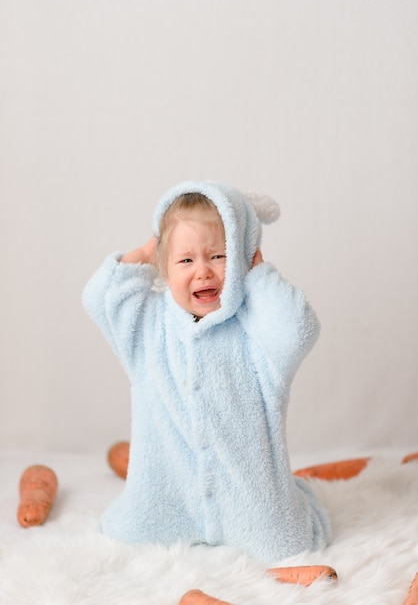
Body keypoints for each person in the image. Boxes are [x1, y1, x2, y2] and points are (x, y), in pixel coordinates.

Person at [82, 181, 331, 564]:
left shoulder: (256, 330)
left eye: (219, 256)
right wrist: (149, 250)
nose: (203, 272)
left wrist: (260, 275)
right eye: (185, 260)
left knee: (288, 545)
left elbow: (298, 329)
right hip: (167, 493)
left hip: (248, 499)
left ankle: (280, 510)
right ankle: (162, 515)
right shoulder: (149, 326)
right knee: (125, 535)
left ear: (243, 259)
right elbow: (100, 298)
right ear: (164, 266)